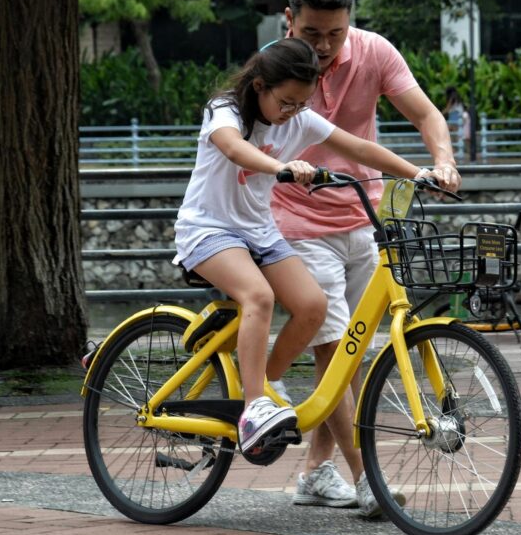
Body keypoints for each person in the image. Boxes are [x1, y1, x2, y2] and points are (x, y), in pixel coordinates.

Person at [172, 37, 433, 466]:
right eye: (287, 102)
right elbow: (234, 147)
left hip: (258, 231)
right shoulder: (225, 110)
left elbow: (361, 149)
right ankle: (254, 407)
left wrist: (420, 173)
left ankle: (268, 383)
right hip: (208, 230)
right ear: (260, 86)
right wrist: (282, 168)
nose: (293, 112)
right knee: (259, 296)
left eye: (302, 103)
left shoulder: (300, 119)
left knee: (313, 306)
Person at [270, 0, 462, 516]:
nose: (326, 46)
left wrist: (443, 160)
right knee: (334, 347)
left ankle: (313, 471)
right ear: (289, 20)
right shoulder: (275, 65)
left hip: (364, 218)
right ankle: (366, 478)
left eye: (336, 33)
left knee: (349, 357)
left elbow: (426, 113)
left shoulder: (375, 52)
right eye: (312, 33)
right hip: (297, 222)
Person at [442, 86, 471, 160]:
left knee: (455, 136)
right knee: (449, 134)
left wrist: (440, 114)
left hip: (456, 119)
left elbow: (448, 109)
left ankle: (458, 151)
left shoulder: (454, 100)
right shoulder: (456, 100)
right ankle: (455, 150)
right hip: (455, 119)